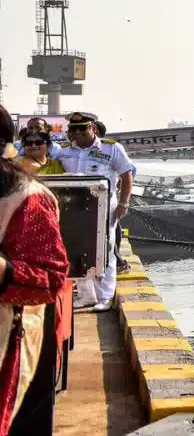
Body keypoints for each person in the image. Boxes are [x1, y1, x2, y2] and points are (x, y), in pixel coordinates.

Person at [0, 104, 70, 434]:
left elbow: (51, 279)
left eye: (38, 142)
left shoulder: (27, 199)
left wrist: (5, 272)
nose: (34, 147)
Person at [57, 112, 134, 312]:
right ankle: (86, 296)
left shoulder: (111, 148)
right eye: (74, 129)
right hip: (73, 206)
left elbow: (126, 175)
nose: (78, 133)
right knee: (75, 248)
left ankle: (105, 296)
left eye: (82, 129)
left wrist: (124, 203)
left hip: (103, 205)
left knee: (104, 249)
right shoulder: (63, 151)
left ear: (93, 128)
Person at [92, 121, 132, 273]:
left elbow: (129, 173)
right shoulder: (70, 150)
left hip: (107, 200)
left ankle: (116, 261)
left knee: (111, 233)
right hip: (87, 203)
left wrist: (123, 202)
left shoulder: (111, 149)